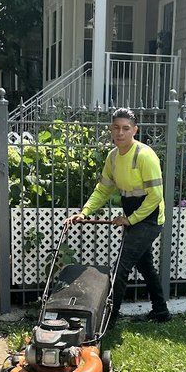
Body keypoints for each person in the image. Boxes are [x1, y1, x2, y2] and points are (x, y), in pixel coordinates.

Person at [66, 108, 171, 325]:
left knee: (121, 267)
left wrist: (130, 220)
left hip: (150, 217)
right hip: (132, 215)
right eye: (116, 128)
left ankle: (108, 320)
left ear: (135, 130)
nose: (120, 133)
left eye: (125, 128)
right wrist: (84, 212)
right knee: (145, 265)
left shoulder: (144, 155)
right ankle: (161, 312)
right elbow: (103, 190)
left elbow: (156, 196)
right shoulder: (113, 157)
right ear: (111, 130)